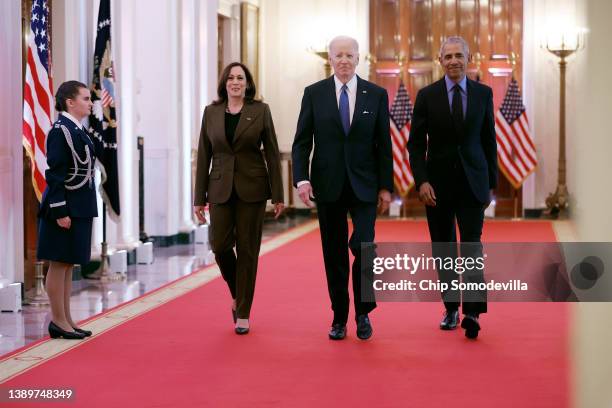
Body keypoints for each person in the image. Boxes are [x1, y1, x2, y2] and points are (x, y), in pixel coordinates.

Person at [291, 36, 393, 340]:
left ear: (359, 58)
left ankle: (363, 314)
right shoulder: (314, 94)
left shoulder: (375, 94)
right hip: (328, 185)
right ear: (330, 60)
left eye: (350, 55)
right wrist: (302, 179)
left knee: (364, 246)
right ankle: (339, 317)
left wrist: (386, 187)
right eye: (339, 55)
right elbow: (301, 142)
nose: (344, 60)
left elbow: (383, 145)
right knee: (333, 254)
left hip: (365, 186)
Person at [407, 36, 498, 339]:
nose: (454, 61)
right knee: (444, 248)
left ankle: (472, 311)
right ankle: (450, 308)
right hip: (438, 187)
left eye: (459, 55)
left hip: (474, 184)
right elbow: (416, 144)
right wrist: (422, 181)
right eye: (449, 56)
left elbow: (489, 141)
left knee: (472, 247)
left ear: (468, 59)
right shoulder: (427, 96)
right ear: (440, 60)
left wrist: (491, 184)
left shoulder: (484, 94)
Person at [194, 62, 284, 335]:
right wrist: (199, 198)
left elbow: (271, 152)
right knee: (220, 245)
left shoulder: (260, 111)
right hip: (220, 188)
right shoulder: (211, 113)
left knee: (247, 250)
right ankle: (237, 292)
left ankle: (243, 312)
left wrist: (278, 194)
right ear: (224, 83)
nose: (235, 82)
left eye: (240, 78)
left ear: (247, 83)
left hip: (252, 189)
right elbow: (203, 155)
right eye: (231, 78)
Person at [37, 80, 100, 340]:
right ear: (70, 102)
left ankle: (67, 320)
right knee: (59, 263)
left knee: (67, 263)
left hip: (80, 203)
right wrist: (60, 210)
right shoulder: (60, 131)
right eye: (85, 98)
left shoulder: (77, 130)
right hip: (64, 205)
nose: (90, 102)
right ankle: (58, 321)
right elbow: (55, 174)